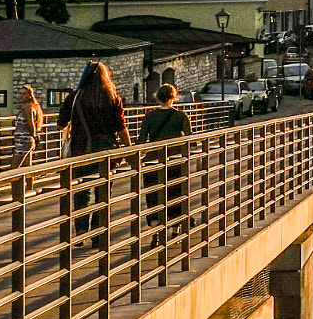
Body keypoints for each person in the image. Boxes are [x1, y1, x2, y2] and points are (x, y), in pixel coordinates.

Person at [58, 62, 131, 240]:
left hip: (81, 150)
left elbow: (61, 122)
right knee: (103, 192)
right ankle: (99, 233)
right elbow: (120, 127)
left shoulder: (75, 97)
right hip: (106, 152)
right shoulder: (112, 97)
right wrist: (129, 150)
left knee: (81, 190)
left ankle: (81, 230)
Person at [139, 85, 191, 236]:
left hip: (153, 161)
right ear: (174, 97)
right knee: (175, 193)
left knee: (153, 196)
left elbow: (142, 140)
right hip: (175, 161)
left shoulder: (149, 116)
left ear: (158, 97)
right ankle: (175, 229)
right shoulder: (181, 116)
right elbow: (190, 138)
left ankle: (155, 230)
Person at [11, 85, 45, 168]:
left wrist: (34, 136)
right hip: (25, 139)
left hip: (23, 140)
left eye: (24, 94)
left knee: (14, 167)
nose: (21, 96)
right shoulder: (30, 106)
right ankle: (28, 181)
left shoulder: (28, 107)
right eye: (20, 93)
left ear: (30, 96)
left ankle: (17, 181)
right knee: (27, 166)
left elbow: (31, 124)